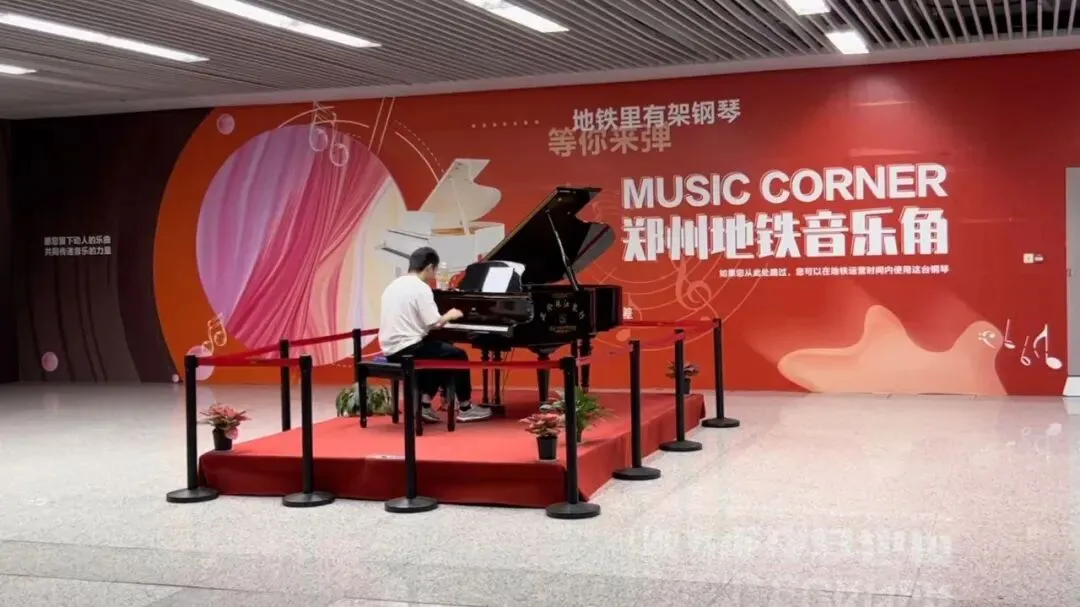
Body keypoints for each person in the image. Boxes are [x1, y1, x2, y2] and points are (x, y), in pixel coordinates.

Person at [378, 247, 491, 424]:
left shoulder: (393, 285)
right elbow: (435, 323)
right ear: (430, 267)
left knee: (442, 349)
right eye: (435, 269)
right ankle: (465, 407)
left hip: (390, 349)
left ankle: (424, 403)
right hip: (408, 349)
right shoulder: (421, 288)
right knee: (457, 355)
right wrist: (451, 315)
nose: (435, 273)